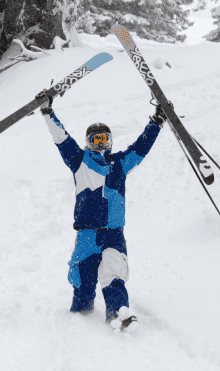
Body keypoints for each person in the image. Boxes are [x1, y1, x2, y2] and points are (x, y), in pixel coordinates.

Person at [36, 89, 166, 331]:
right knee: (83, 284)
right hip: (87, 234)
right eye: (95, 140)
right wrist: (47, 111)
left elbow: (141, 146)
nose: (100, 144)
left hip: (113, 234)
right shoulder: (79, 161)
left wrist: (157, 121)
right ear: (87, 143)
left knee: (114, 277)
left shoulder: (120, 163)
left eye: (104, 139)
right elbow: (61, 139)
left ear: (111, 141)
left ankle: (119, 315)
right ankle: (80, 318)